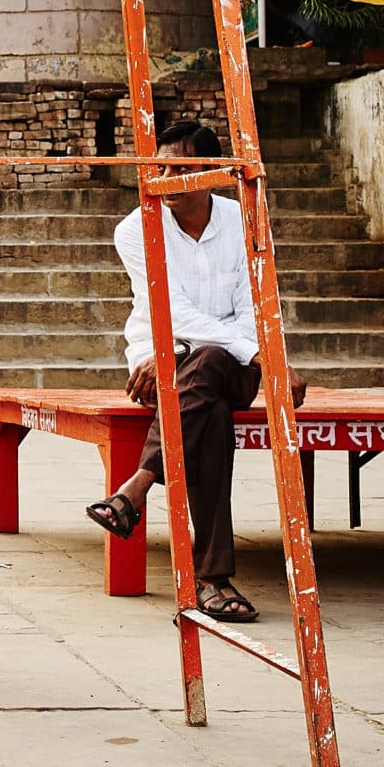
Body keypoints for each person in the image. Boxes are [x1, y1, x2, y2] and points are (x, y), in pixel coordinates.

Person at [85, 121, 301, 624]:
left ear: (208, 174)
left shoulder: (244, 219)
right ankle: (213, 581)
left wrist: (263, 357)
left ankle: (135, 488)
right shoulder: (135, 228)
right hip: (166, 358)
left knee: (205, 365)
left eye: (177, 169)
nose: (163, 177)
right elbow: (172, 312)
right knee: (212, 417)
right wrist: (259, 356)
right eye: (158, 167)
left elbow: (255, 308)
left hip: (233, 364)